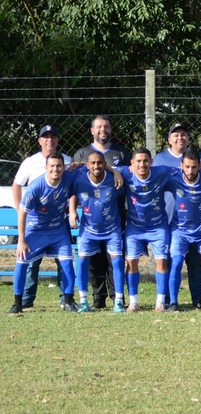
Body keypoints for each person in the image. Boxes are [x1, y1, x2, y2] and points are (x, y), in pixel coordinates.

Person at [72, 115, 131, 309]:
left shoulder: (121, 152)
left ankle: (117, 298)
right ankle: (97, 298)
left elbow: (130, 176)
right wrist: (72, 210)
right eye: (99, 127)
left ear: (111, 129)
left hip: (115, 213)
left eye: (106, 126)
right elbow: (74, 183)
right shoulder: (82, 153)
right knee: (94, 261)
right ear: (92, 130)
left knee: (115, 258)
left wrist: (114, 172)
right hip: (90, 218)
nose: (102, 130)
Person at [11, 125, 73, 309]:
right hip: (35, 225)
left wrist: (115, 171)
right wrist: (20, 212)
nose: (50, 140)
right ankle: (22, 302)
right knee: (27, 263)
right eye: (45, 137)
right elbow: (16, 186)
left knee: (66, 263)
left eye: (53, 136)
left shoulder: (68, 162)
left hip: (58, 225)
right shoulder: (31, 168)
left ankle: (67, 300)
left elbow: (89, 168)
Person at [153, 123, 201, 309]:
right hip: (169, 219)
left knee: (195, 262)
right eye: (176, 135)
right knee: (171, 261)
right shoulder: (159, 159)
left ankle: (199, 298)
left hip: (194, 222)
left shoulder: (198, 157)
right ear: (169, 139)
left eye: (184, 134)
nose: (180, 138)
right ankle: (170, 299)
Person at [117, 148, 177, 312]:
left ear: (151, 162)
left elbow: (187, 168)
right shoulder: (125, 173)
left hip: (158, 226)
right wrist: (114, 172)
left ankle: (160, 302)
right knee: (132, 262)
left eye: (145, 161)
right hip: (135, 227)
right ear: (132, 163)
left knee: (162, 262)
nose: (142, 164)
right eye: (138, 161)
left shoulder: (161, 171)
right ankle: (133, 302)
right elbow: (99, 167)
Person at [68, 151, 126, 313]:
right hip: (88, 229)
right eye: (92, 163)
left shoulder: (114, 180)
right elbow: (73, 194)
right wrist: (72, 211)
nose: (96, 166)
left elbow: (125, 195)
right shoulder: (80, 180)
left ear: (104, 164)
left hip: (112, 228)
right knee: (83, 261)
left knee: (117, 262)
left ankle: (119, 301)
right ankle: (84, 301)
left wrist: (115, 172)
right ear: (87, 165)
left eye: (100, 163)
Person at [165, 149, 201, 312]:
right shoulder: (173, 180)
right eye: (187, 167)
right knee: (175, 263)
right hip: (180, 232)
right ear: (181, 166)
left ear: (199, 166)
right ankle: (173, 302)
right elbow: (153, 178)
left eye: (194, 167)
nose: (190, 171)